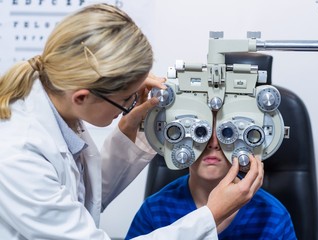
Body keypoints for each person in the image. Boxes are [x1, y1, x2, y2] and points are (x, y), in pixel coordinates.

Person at [0, 3, 264, 240]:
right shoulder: (18, 154)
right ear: (82, 97)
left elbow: (85, 198)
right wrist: (211, 215)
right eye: (127, 99)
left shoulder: (60, 108)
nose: (129, 107)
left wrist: (130, 131)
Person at [125, 111, 297, 240]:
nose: (213, 143)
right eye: (201, 132)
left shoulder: (272, 216)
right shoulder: (155, 210)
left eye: (226, 133)